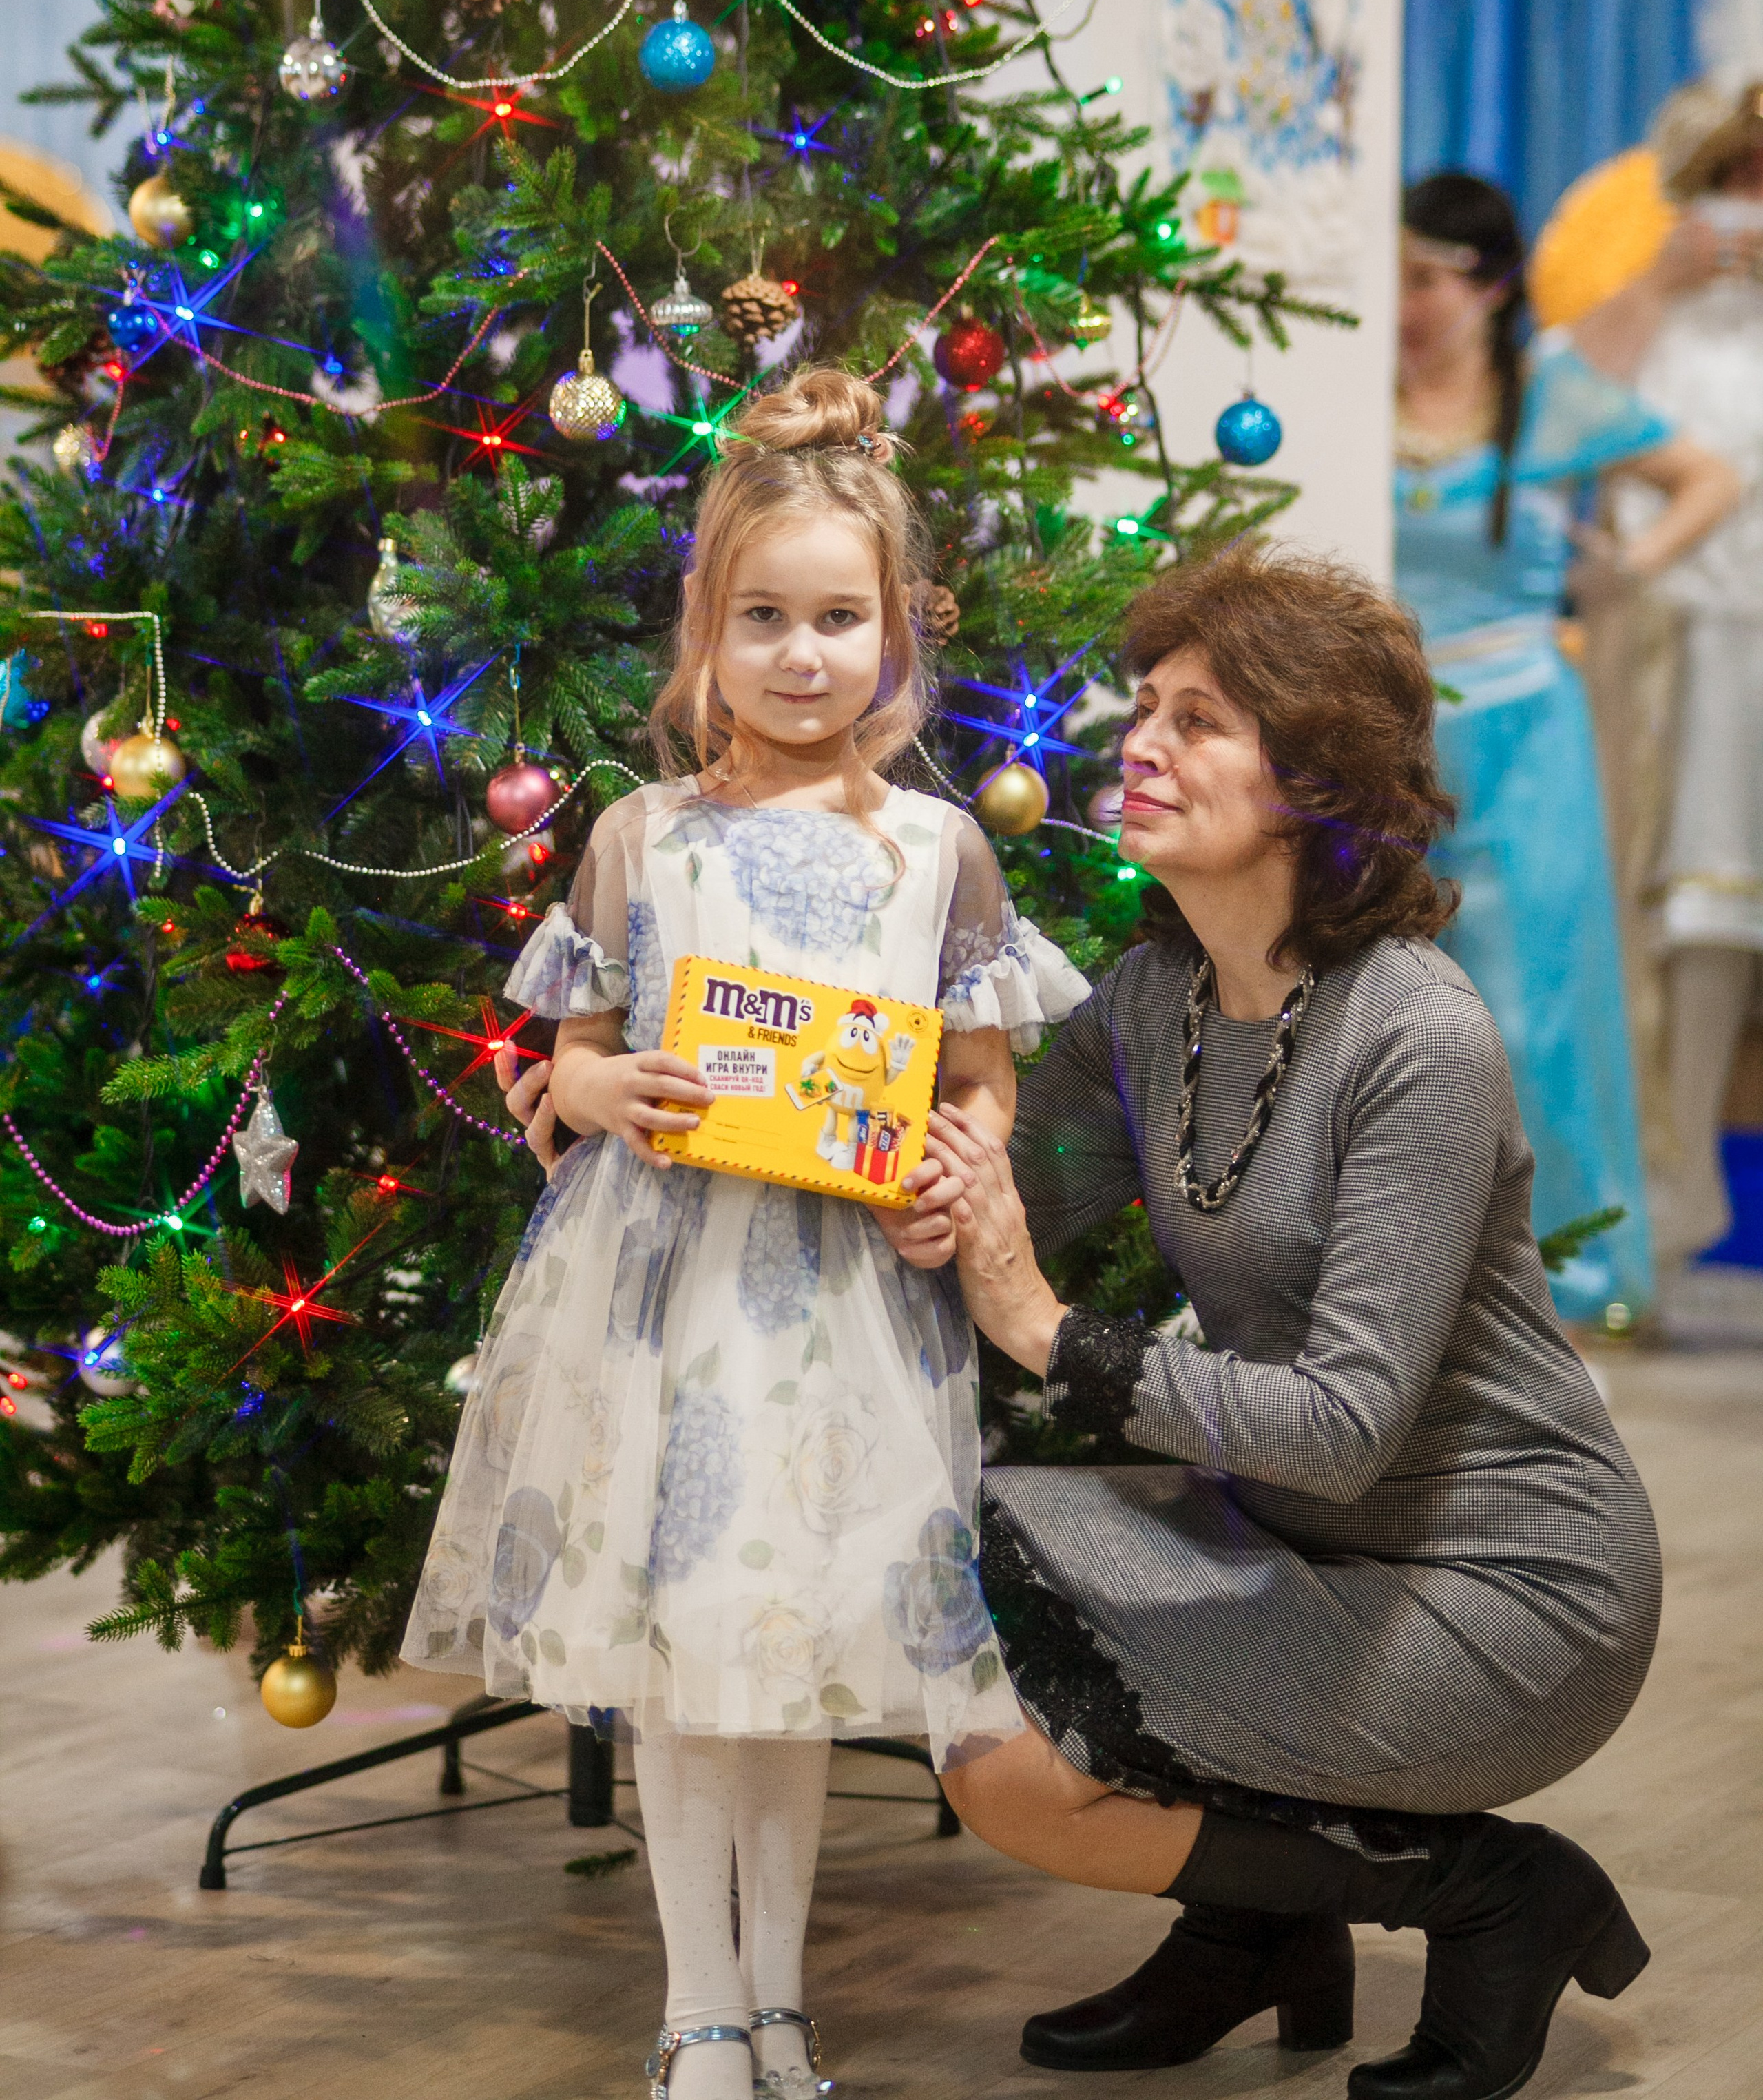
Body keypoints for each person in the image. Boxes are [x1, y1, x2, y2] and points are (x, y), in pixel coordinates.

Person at [880, 545, 1663, 2100]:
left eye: (1199, 720)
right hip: (1306, 1543)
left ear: (1315, 777)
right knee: (944, 1569)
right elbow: (989, 1194)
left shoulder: (1415, 1036)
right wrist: (655, 1093)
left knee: (1007, 1757)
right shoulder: (1150, 1002)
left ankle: (1490, 1893)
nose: (1139, 743)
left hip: (1506, 1596)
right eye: (1144, 708)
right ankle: (1256, 1928)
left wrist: (1049, 1333)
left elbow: (1340, 1419)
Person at [404, 365, 1086, 2100]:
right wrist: (609, 1090)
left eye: (837, 619)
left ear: (896, 635)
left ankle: (779, 2000)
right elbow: (565, 1058)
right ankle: (695, 2005)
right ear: (707, 631)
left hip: (853, 1306)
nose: (801, 656)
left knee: (789, 1654)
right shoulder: (645, 838)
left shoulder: (940, 854)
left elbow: (982, 1081)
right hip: (674, 1299)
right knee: (691, 1655)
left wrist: (959, 1167)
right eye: (763, 618)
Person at [1395, 170, 1739, 1329]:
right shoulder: (1353, 391)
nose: (1409, 303)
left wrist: (1624, 572)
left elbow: (1711, 476)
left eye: (1432, 279)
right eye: (1396, 275)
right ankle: (1411, 1267)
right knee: (1393, 1005)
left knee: (1536, 1000)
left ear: (1490, 289)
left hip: (1524, 724)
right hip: (1389, 734)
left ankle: (1576, 1273)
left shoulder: (1548, 393)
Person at [1556, 72, 1763, 1273]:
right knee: (1664, 905)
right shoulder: (1652, 320)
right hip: (1667, 648)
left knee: (1716, 909)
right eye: (1732, 181)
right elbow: (1564, 392)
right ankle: (1649, 1199)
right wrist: (1660, 284)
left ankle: (1683, 1185)